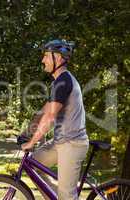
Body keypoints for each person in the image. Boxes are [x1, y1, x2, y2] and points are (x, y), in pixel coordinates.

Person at [21, 39, 89, 200]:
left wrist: (32, 142)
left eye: (46, 56)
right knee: (31, 165)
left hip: (72, 144)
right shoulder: (59, 82)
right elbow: (45, 110)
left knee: (67, 196)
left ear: (57, 58)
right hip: (61, 142)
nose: (42, 60)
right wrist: (28, 130)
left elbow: (50, 117)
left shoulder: (64, 81)